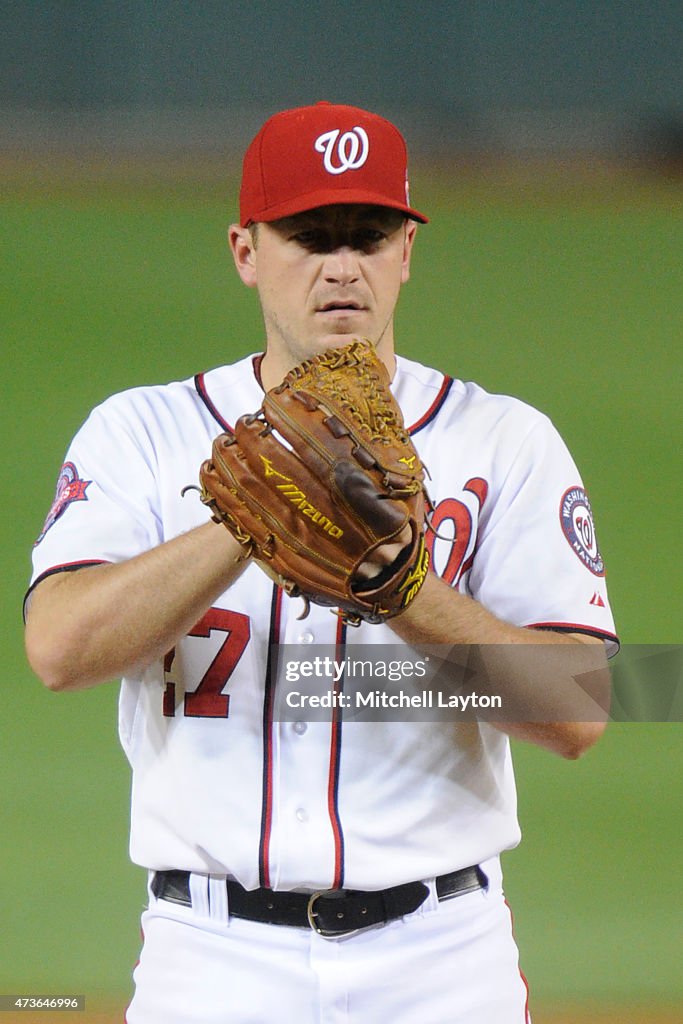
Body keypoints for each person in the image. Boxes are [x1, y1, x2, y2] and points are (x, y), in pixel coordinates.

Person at [25, 101, 618, 1023]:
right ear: (245, 252)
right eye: (309, 235)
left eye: (369, 234)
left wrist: (402, 589)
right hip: (210, 961)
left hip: (440, 959)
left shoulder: (504, 440)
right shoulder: (141, 432)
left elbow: (576, 709)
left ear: (406, 254)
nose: (342, 264)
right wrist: (256, 510)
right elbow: (59, 649)